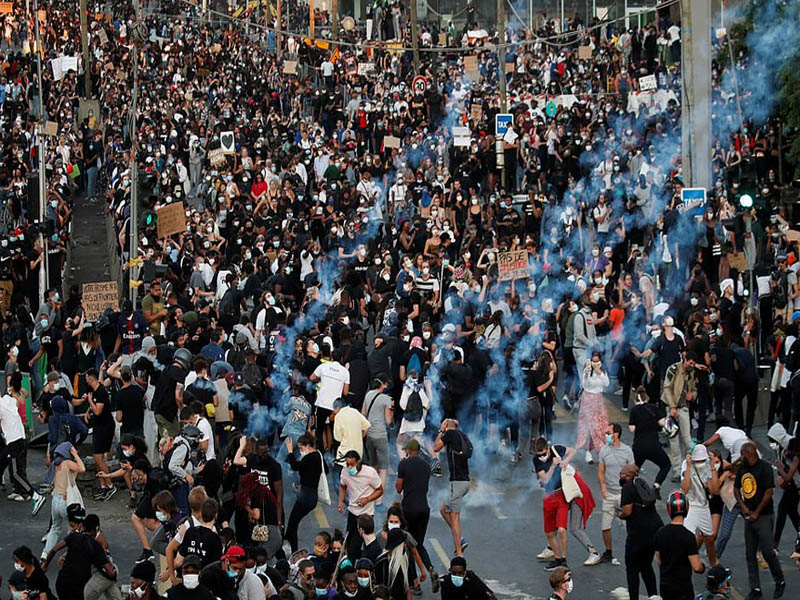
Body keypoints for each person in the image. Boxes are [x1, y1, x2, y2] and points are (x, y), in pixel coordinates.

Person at [734, 443, 785, 599]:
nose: (742, 458)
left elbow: (769, 492)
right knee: (750, 554)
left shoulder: (764, 468)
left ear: (751, 454)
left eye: (744, 454)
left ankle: (779, 581)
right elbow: (736, 489)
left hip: (763, 515)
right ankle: (755, 588)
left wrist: (756, 512)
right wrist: (743, 507)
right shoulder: (743, 468)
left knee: (768, 552)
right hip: (749, 516)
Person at [395, 438, 438, 593]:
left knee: (409, 546)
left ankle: (415, 584)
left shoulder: (404, 464)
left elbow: (399, 489)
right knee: (419, 544)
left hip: (408, 510)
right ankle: (431, 569)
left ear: (410, 451)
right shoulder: (426, 466)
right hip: (424, 509)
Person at [618, 464, 662, 600]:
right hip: (654, 530)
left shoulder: (627, 488)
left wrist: (619, 514)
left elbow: (627, 511)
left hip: (638, 534)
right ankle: (653, 595)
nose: (620, 476)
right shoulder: (642, 484)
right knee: (646, 566)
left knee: (632, 568)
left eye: (621, 474)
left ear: (627, 475)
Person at [654, 491, 706, 600]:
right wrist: (702, 567)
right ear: (686, 509)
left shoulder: (660, 533)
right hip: (683, 588)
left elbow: (659, 561)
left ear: (669, 510)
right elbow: (696, 567)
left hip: (665, 585)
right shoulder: (688, 536)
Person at [1, 388, 45, 511]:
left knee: (15, 473)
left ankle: (35, 496)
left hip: (13, 442)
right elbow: (19, 400)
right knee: (16, 469)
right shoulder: (7, 400)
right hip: (21, 439)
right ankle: (22, 492)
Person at [433, 418, 472, 557]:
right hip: (465, 482)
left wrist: (441, 431)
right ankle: (459, 539)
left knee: (455, 518)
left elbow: (435, 447)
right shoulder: (462, 435)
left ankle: (460, 554)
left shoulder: (449, 434)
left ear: (446, 426)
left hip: (457, 483)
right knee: (444, 509)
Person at [597, 422, 633, 564]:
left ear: (616, 434)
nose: (606, 435)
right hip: (609, 494)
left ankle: (633, 550)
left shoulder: (627, 451)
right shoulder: (604, 451)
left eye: (608, 432)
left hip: (624, 494)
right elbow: (601, 471)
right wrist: (603, 487)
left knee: (629, 525)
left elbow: (632, 470)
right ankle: (608, 551)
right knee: (605, 526)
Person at [339, 450, 384, 561]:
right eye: (347, 464)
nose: (349, 467)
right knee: (349, 545)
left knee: (354, 548)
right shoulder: (345, 472)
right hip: (352, 513)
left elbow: (380, 490)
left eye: (352, 464)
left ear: (358, 462)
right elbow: (342, 486)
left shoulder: (370, 473)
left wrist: (367, 499)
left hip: (366, 517)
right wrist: (340, 502)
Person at [680, 444, 720, 567]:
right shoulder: (686, 465)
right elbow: (685, 489)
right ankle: (683, 563)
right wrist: (687, 467)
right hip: (690, 506)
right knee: (687, 538)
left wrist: (712, 468)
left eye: (702, 460)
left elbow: (714, 490)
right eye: (698, 461)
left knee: (709, 538)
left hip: (703, 506)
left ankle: (714, 565)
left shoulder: (710, 466)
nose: (700, 463)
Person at [284, 433, 324, 552]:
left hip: (306, 498)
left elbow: (295, 466)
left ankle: (293, 549)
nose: (300, 451)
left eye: (301, 448)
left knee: (292, 524)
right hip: (310, 496)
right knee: (293, 523)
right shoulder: (318, 455)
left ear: (308, 445)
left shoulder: (309, 458)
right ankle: (289, 542)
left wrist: (290, 451)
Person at [628, 386, 670, 498]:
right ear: (646, 398)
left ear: (635, 400)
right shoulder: (653, 408)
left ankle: (631, 490)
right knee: (665, 464)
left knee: (633, 470)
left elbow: (632, 428)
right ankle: (656, 485)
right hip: (653, 445)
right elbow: (662, 422)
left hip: (638, 446)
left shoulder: (634, 411)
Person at [83, 368, 117, 500]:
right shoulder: (95, 391)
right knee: (97, 457)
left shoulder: (101, 392)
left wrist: (90, 402)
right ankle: (103, 486)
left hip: (105, 427)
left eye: (87, 380)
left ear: (91, 379)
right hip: (98, 426)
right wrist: (88, 410)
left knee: (99, 458)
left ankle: (109, 485)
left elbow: (97, 410)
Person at [577, 351, 609, 464]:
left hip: (598, 401)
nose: (595, 363)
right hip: (588, 400)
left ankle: (601, 451)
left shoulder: (603, 371)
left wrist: (599, 372)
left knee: (601, 427)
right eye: (593, 361)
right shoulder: (587, 370)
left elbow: (607, 383)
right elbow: (584, 385)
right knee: (588, 427)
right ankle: (587, 452)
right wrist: (586, 374)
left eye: (597, 361)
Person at [362, 375, 393, 494]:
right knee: (383, 468)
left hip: (369, 434)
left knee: (373, 465)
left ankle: (370, 492)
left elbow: (363, 413)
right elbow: (388, 421)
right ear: (383, 384)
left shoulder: (368, 394)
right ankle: (379, 498)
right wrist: (392, 409)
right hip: (380, 435)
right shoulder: (386, 399)